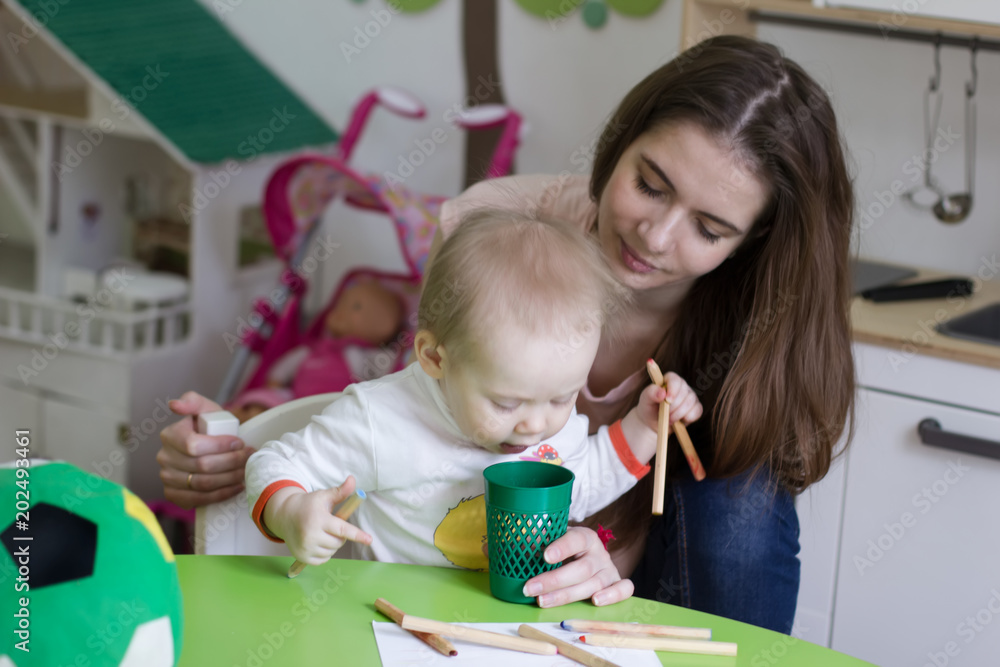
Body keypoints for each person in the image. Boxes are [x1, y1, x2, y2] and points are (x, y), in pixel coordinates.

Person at [158, 35, 855, 633]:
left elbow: (601, 471)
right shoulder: (497, 232)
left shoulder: (758, 316)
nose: (656, 234)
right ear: (623, 138)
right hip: (470, 573)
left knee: (742, 500)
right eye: (649, 183)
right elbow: (423, 426)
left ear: (751, 241)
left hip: (610, 573)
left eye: (709, 229)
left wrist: (605, 549)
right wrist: (244, 447)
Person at [244, 211, 677, 571]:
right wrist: (291, 511)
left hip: (503, 626)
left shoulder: (548, 428)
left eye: (564, 397)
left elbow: (581, 486)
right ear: (434, 358)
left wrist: (645, 424)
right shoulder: (380, 419)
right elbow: (273, 462)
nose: (537, 424)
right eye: (506, 402)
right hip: (388, 623)